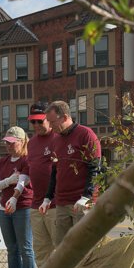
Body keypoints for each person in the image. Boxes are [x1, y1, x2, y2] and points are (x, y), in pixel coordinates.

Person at [39, 100, 101, 245]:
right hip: (62, 202)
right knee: (61, 247)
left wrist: (86, 196)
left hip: (82, 202)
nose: (50, 126)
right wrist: (48, 198)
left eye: (52, 122)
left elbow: (95, 167)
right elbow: (55, 171)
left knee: (84, 247)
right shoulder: (56, 140)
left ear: (65, 117)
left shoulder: (86, 134)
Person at [0, 126, 35, 268]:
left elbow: (22, 182)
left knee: (25, 247)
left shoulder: (27, 160)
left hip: (23, 207)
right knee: (11, 248)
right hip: (4, 209)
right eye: (6, 143)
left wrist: (14, 197)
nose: (8, 146)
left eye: (11, 143)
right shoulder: (2, 161)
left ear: (22, 142)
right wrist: (9, 180)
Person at [26, 101, 57, 267]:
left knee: (60, 247)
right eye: (33, 121)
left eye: (40, 121)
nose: (36, 125)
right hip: (36, 204)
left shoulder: (58, 138)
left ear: (49, 119)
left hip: (55, 203)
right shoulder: (31, 143)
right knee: (40, 248)